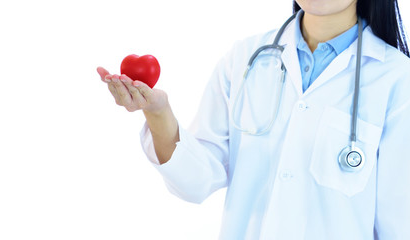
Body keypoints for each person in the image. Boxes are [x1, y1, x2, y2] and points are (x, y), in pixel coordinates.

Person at [97, 0, 410, 239]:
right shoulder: (245, 58)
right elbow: (196, 181)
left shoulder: (396, 79)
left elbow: (398, 223)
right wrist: (158, 113)